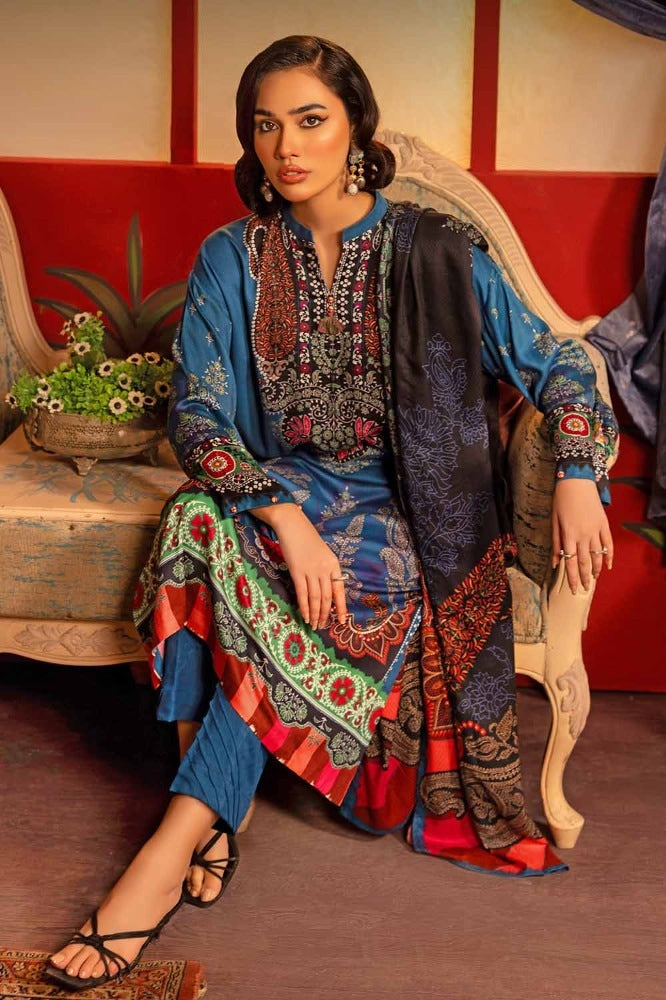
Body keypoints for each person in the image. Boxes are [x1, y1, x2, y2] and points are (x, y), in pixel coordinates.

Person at [47, 35, 617, 991]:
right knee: (192, 523)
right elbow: (197, 411)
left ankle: (172, 845)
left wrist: (574, 472)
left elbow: (558, 361)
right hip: (279, 493)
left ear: (356, 126)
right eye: (266, 125)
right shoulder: (233, 256)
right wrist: (282, 514)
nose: (287, 146)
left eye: (310, 120)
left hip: (410, 509)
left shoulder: (439, 250)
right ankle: (211, 811)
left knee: (309, 592)